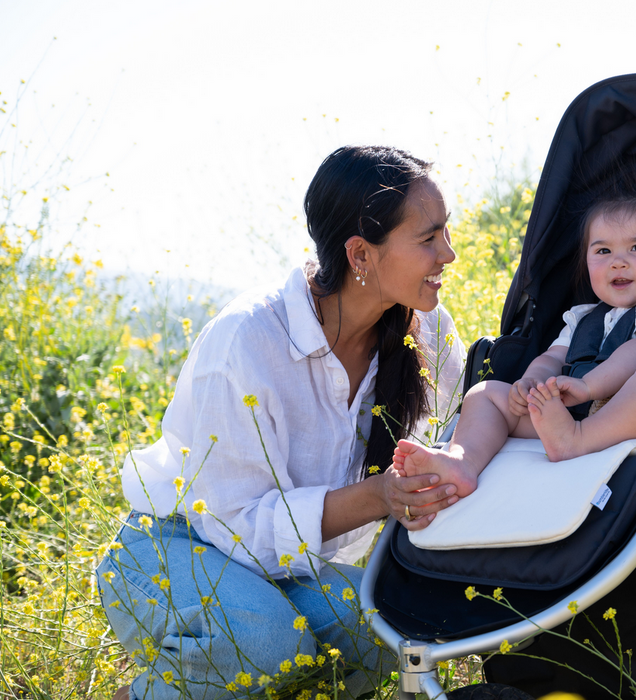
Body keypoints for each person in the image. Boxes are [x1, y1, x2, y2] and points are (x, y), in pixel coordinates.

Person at [97, 145, 466, 700]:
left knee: (386, 631)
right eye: (428, 238)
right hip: (181, 542)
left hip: (287, 566)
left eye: (446, 233)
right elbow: (233, 525)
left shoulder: (426, 330)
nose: (449, 254)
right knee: (267, 645)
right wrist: (380, 496)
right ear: (361, 255)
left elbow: (460, 426)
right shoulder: (248, 338)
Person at [396, 185, 636, 498]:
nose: (618, 261)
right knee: (485, 394)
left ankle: (577, 441)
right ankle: (462, 462)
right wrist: (531, 384)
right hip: (567, 411)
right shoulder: (583, 317)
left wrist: (590, 386)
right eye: (603, 250)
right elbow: (553, 358)